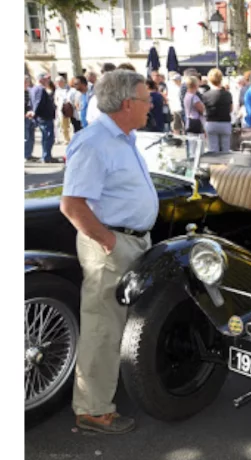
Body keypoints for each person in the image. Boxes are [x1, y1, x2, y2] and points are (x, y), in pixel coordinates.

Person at [59, 69, 156, 434]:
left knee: (116, 324)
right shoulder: (95, 141)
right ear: (128, 104)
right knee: (102, 326)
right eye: (147, 99)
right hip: (111, 245)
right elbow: (71, 205)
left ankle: (102, 397)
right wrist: (109, 242)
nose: (152, 105)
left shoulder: (122, 138)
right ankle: (93, 410)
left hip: (129, 240)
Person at [28, 72, 58, 163]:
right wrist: (34, 112)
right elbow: (37, 102)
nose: (48, 81)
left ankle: (47, 155)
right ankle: (46, 157)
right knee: (48, 137)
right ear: (41, 80)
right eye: (46, 79)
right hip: (44, 117)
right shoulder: (39, 89)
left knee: (47, 136)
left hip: (43, 116)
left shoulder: (35, 89)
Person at [202, 68, 233, 153]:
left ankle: (214, 165)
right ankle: (225, 165)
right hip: (225, 122)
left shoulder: (205, 95)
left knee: (213, 149)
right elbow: (231, 109)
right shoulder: (228, 94)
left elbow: (203, 110)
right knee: (225, 150)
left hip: (211, 122)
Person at [183, 76, 205, 150]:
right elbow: (201, 109)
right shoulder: (194, 97)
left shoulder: (186, 95)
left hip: (189, 121)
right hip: (196, 122)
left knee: (192, 145)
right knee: (199, 146)